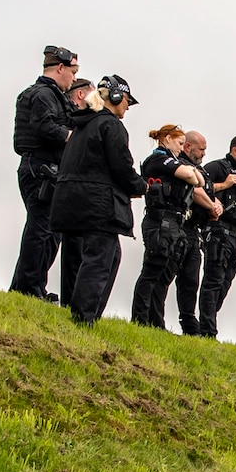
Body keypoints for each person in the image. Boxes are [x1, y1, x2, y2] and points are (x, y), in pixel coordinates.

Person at [49, 75, 142, 324]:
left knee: (76, 258)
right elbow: (122, 167)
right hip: (98, 205)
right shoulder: (111, 126)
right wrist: (141, 186)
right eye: (126, 101)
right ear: (115, 96)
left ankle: (70, 309)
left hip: (70, 201)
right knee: (102, 260)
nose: (126, 107)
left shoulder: (80, 124)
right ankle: (84, 317)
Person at [11, 47, 79, 300]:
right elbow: (44, 125)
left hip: (48, 168)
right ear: (60, 68)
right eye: (72, 72)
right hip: (39, 167)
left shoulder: (54, 95)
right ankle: (28, 288)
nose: (73, 79)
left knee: (49, 231)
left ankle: (31, 285)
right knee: (40, 229)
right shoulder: (42, 94)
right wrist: (73, 138)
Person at [130, 125, 211, 330]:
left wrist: (191, 173)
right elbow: (188, 174)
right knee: (152, 270)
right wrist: (191, 172)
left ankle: (156, 322)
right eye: (179, 143)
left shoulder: (173, 160)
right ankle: (140, 318)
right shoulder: (158, 158)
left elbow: (198, 180)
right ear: (167, 139)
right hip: (159, 221)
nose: (181, 148)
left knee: (165, 274)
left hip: (175, 223)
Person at [194, 135, 236, 338]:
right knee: (213, 278)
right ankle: (207, 330)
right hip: (218, 229)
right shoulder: (216, 168)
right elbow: (200, 189)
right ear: (235, 150)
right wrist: (225, 185)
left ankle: (208, 321)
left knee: (226, 279)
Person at [171, 132, 216, 335]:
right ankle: (150, 317)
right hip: (178, 225)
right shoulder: (180, 164)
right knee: (165, 273)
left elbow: (208, 192)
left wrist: (216, 205)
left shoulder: (201, 170)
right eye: (201, 149)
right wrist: (212, 207)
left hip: (194, 230)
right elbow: (197, 192)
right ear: (188, 147)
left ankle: (189, 322)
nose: (204, 154)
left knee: (191, 279)